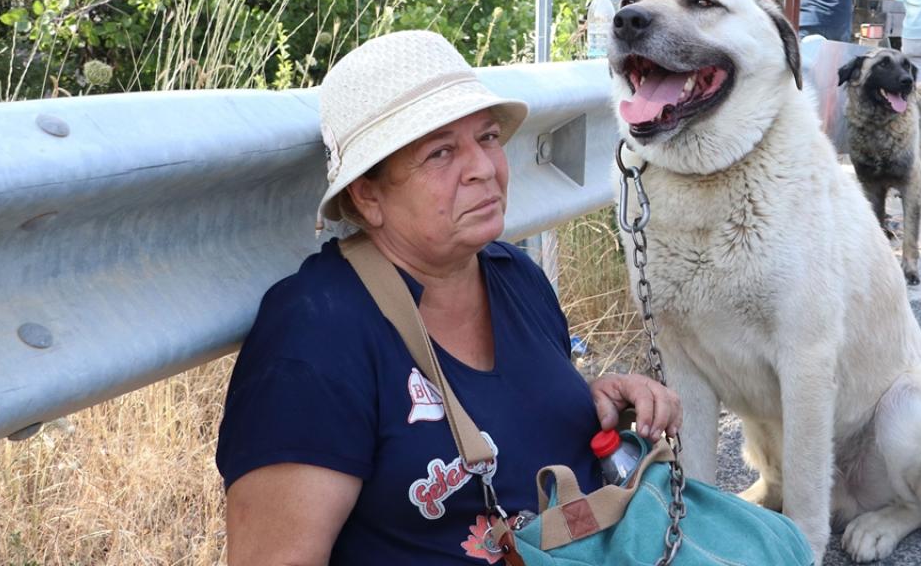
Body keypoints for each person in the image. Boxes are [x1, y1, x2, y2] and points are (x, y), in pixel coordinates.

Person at [216, 30, 682, 565]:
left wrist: (599, 402)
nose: (484, 167)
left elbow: (511, 422)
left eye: (486, 138)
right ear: (367, 195)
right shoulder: (316, 335)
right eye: (440, 152)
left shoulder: (514, 276)